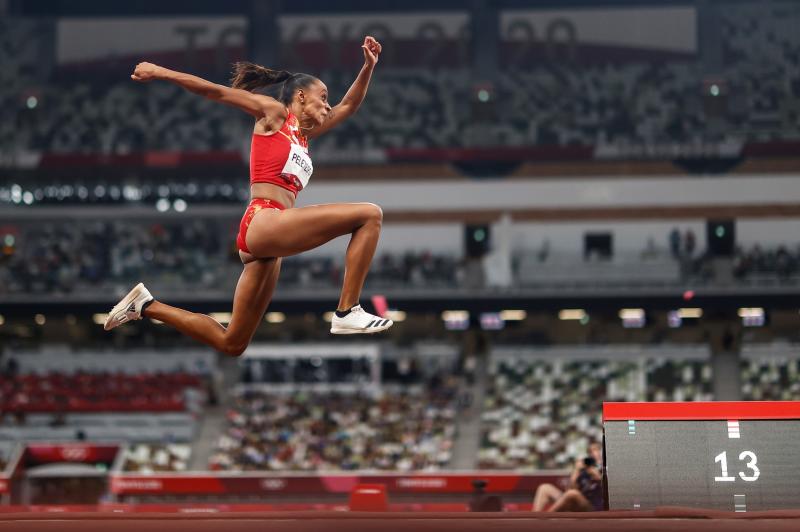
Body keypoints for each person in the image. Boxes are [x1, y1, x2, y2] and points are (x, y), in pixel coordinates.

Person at [103, 36, 393, 353]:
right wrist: (160, 71)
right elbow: (215, 91)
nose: (328, 104)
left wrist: (368, 67)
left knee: (233, 342)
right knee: (370, 214)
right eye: (323, 97)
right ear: (299, 95)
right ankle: (346, 311)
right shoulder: (274, 113)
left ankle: (145, 305)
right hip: (264, 220)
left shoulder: (303, 134)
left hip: (268, 239)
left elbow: (348, 106)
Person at [532, 442, 603, 512]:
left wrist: (597, 475)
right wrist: (576, 470)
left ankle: (545, 517)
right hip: (577, 501)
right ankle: (534, 517)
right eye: (590, 451)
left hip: (592, 506)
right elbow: (570, 489)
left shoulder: (604, 468)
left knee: (572, 493)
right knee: (544, 488)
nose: (593, 453)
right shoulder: (584, 469)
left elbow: (607, 491)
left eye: (596, 450)